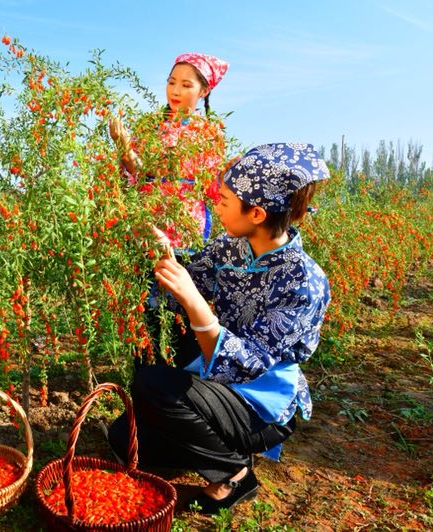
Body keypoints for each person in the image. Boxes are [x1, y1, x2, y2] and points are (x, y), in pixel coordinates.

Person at [107, 143, 331, 515]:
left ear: (256, 213)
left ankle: (233, 474)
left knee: (155, 386)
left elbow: (248, 366)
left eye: (225, 199)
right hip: (221, 374)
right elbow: (185, 282)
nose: (217, 205)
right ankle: (201, 434)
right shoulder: (232, 247)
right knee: (123, 435)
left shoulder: (303, 282)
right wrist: (165, 253)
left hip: (260, 400)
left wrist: (196, 303)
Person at [110, 52, 229, 248]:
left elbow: (210, 187)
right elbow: (137, 175)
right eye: (171, 82)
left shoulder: (209, 133)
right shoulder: (149, 127)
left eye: (186, 85)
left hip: (185, 224)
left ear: (204, 91)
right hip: (146, 221)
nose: (175, 91)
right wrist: (123, 146)